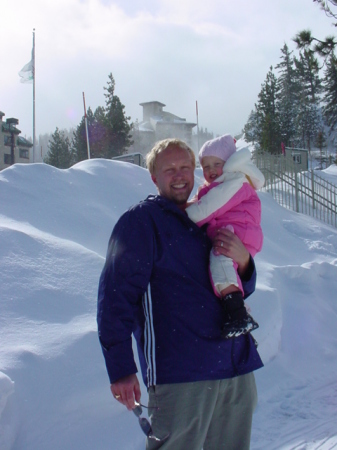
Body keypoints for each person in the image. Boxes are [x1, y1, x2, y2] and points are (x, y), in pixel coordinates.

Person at [97, 138, 263, 450]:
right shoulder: (142, 222)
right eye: (169, 169)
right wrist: (120, 368)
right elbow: (115, 297)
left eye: (185, 167)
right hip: (183, 373)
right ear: (154, 177)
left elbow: (239, 290)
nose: (179, 175)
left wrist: (245, 263)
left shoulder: (209, 217)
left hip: (235, 367)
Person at [186, 134, 264, 339]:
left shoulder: (234, 181)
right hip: (233, 230)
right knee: (223, 265)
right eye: (205, 166)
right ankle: (239, 313)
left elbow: (206, 209)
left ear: (229, 163)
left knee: (220, 260)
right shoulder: (220, 183)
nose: (210, 170)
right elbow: (202, 200)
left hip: (239, 232)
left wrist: (183, 215)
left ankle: (237, 313)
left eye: (216, 164)